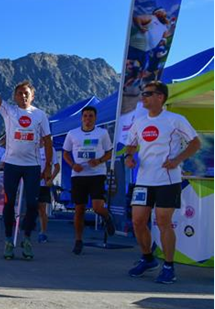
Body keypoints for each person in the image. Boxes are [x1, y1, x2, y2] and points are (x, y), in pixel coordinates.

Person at [0, 56, 52, 260]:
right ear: (15, 97)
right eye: (19, 93)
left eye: (26, 93)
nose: (23, 96)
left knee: (33, 205)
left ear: (32, 96)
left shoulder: (40, 115)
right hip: (12, 165)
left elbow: (48, 142)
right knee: (9, 204)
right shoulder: (9, 111)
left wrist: (48, 167)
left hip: (33, 166)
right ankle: (9, 240)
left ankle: (26, 239)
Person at [124, 81, 200, 284]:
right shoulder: (139, 121)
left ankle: (168, 266)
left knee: (164, 222)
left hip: (168, 180)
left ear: (160, 97)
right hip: (143, 180)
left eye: (147, 94)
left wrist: (177, 160)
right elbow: (130, 146)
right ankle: (148, 258)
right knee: (138, 221)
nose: (143, 97)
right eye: (143, 93)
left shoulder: (175, 120)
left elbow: (196, 143)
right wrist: (128, 158)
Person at [62, 106, 115, 255]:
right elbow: (65, 153)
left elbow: (110, 153)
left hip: (97, 173)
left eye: (91, 116)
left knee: (97, 207)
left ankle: (106, 216)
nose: (88, 119)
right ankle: (78, 241)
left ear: (95, 118)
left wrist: (99, 161)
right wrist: (73, 164)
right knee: (79, 210)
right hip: (78, 175)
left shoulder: (102, 133)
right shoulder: (72, 134)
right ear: (81, 118)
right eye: (85, 116)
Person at [36, 140, 60, 242]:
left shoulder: (50, 149)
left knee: (42, 209)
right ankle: (25, 232)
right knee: (30, 208)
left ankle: (43, 232)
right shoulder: (31, 147)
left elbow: (57, 167)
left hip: (43, 184)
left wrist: (51, 179)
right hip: (31, 183)